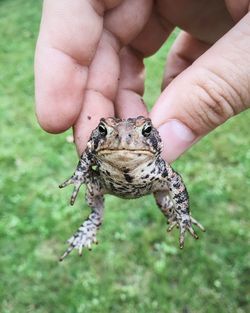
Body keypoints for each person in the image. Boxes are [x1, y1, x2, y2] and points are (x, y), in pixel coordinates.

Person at [34, 0, 250, 163]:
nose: (125, 140)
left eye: (147, 131)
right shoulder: (102, 147)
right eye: (103, 130)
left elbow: (171, 180)